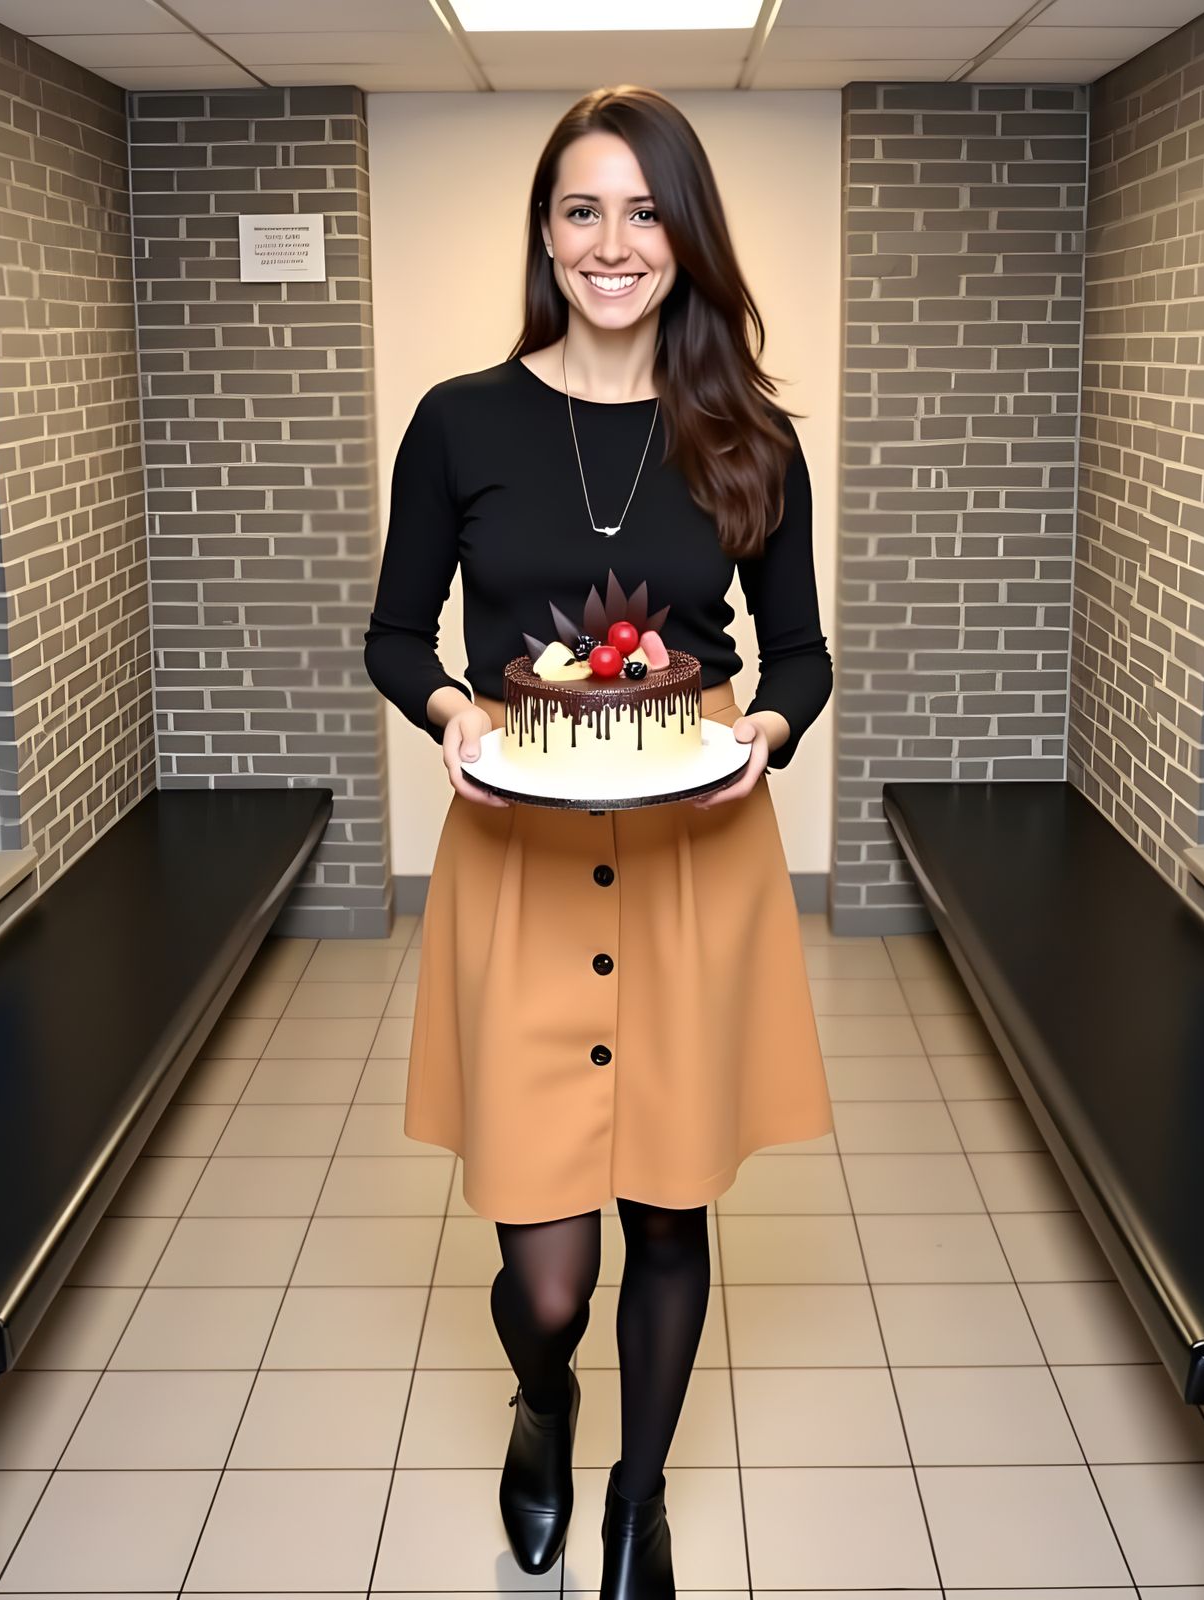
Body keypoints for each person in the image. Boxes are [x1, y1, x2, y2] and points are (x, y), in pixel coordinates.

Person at [362, 84, 835, 1599]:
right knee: (548, 1276)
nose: (612, 242)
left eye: (644, 211)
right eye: (582, 209)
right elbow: (393, 636)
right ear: (546, 234)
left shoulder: (749, 436)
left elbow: (802, 659)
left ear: (686, 239)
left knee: (671, 1209)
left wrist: (760, 734)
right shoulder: (462, 421)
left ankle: (640, 1508)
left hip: (696, 874)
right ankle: (545, 1398)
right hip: (521, 871)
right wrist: (454, 715)